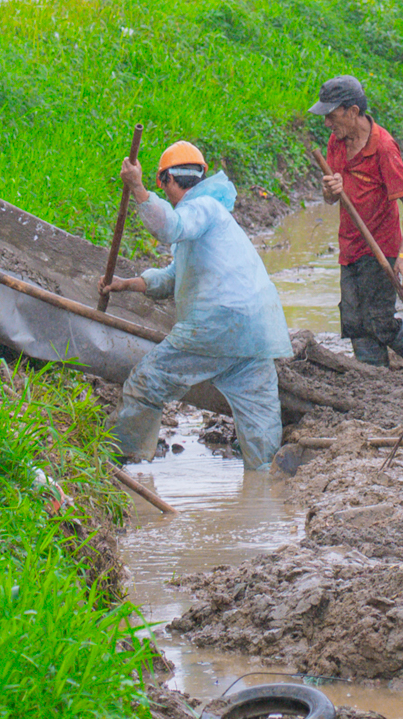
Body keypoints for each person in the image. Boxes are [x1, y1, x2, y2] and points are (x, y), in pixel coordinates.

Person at [100, 140, 292, 471]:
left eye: (163, 185)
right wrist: (128, 284)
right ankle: (268, 486)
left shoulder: (200, 208)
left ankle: (125, 463)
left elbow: (169, 229)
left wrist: (138, 189)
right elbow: (174, 277)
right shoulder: (214, 217)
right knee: (260, 424)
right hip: (255, 331)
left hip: (216, 325)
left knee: (147, 382)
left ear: (167, 181)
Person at [311, 74, 403, 375]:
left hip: (381, 247)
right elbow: (330, 198)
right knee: (355, 322)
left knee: (379, 321)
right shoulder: (336, 142)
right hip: (349, 248)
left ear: (352, 112)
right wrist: (330, 191)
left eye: (332, 115)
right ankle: (376, 381)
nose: (327, 122)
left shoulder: (383, 148)